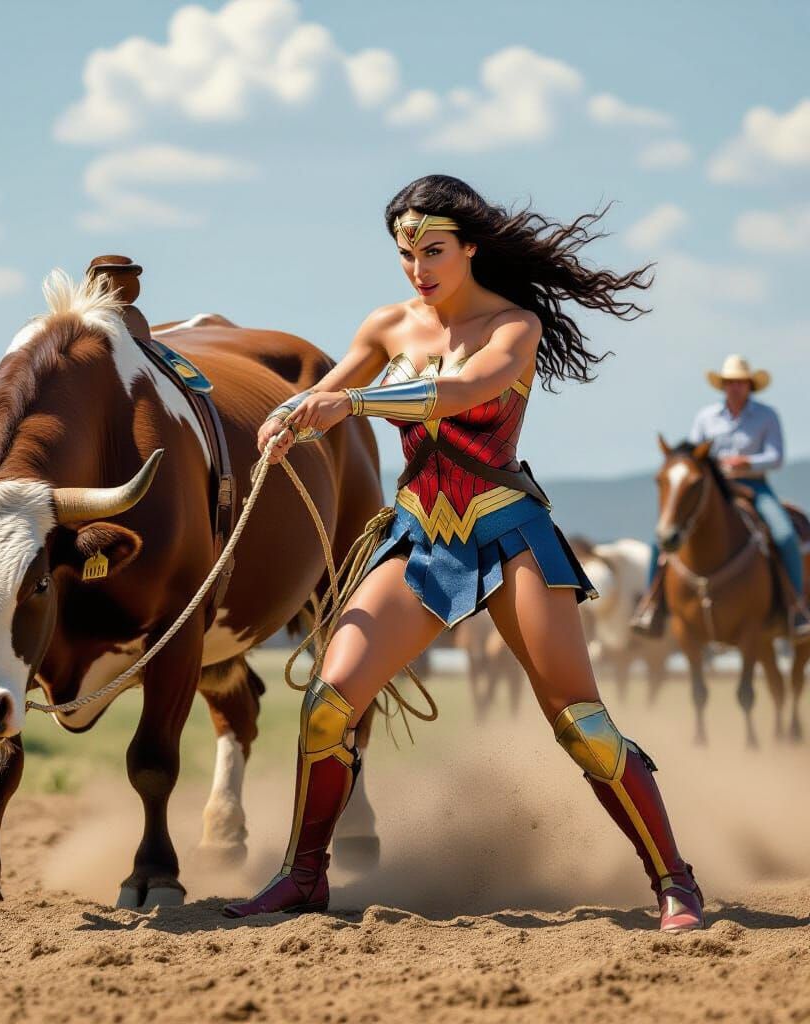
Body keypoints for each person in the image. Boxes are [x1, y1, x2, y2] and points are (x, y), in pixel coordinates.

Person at [222, 175, 704, 932]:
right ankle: (303, 876)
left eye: (434, 250)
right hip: (419, 534)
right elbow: (327, 392)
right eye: (406, 253)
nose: (419, 267)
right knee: (328, 703)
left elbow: (458, 391)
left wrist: (345, 406)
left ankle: (675, 880)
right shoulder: (387, 326)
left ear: (471, 247)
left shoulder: (516, 328)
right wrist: (288, 419)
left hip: (509, 533)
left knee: (581, 723)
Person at [631, 355, 809, 639]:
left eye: (740, 382)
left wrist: (747, 462)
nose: (735, 387)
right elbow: (691, 456)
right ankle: (650, 605)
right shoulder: (706, 417)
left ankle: (796, 607)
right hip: (712, 490)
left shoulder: (767, 416)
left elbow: (776, 457)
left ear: (750, 385)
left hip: (754, 486)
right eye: (730, 382)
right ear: (723, 386)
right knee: (661, 538)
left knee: (785, 534)